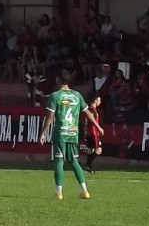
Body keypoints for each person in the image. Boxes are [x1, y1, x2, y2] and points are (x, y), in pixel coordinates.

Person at [39, 70, 104, 200]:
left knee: (59, 161)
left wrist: (43, 132)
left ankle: (58, 193)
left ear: (58, 80)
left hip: (61, 133)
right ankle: (84, 191)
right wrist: (98, 126)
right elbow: (87, 112)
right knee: (74, 161)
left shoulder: (55, 96)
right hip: (73, 133)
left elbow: (50, 116)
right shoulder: (77, 95)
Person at [84, 95, 103, 173]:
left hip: (89, 132)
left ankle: (89, 167)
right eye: (99, 100)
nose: (100, 102)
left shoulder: (90, 109)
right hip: (93, 132)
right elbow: (90, 120)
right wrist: (99, 127)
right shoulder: (92, 110)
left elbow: (86, 121)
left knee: (90, 149)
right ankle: (87, 164)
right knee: (98, 150)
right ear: (95, 101)